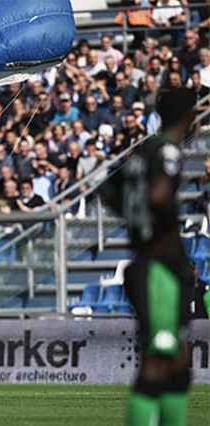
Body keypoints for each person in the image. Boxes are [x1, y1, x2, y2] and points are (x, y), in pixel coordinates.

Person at [101, 87, 197, 426]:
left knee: (178, 363)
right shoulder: (168, 151)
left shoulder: (141, 151)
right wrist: (159, 232)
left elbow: (108, 190)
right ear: (188, 116)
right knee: (158, 361)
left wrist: (135, 222)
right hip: (159, 268)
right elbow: (159, 196)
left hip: (148, 263)